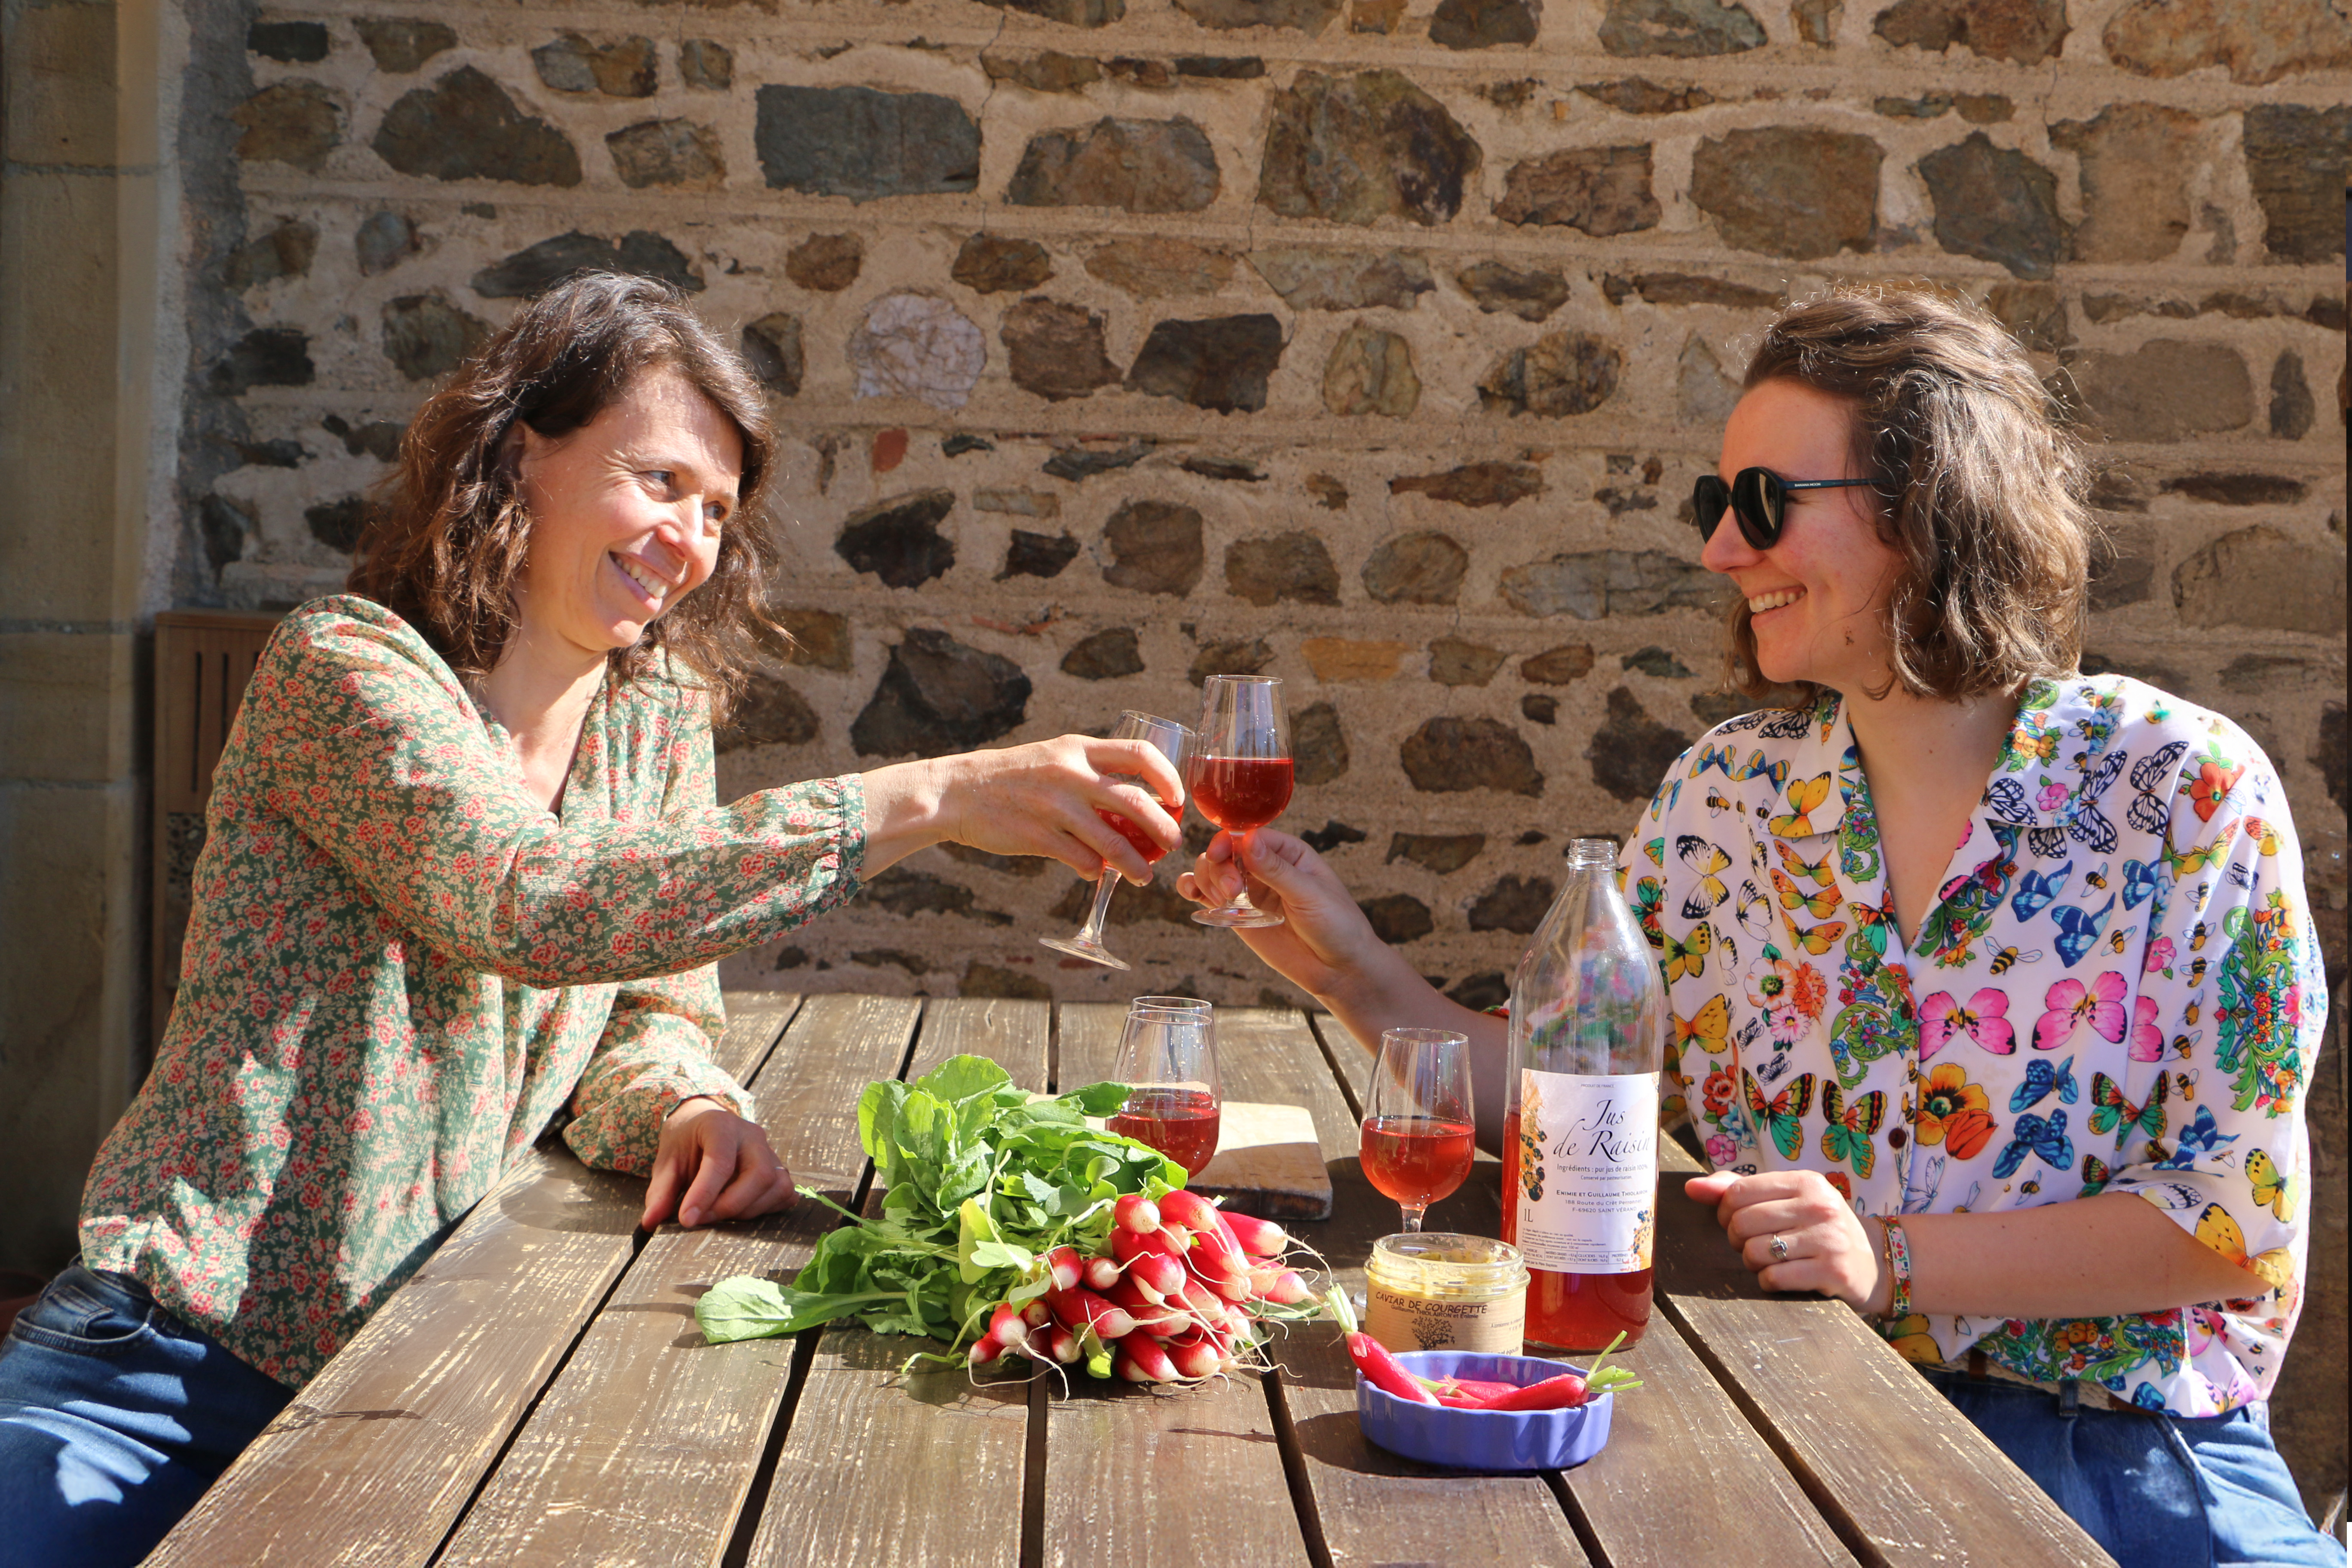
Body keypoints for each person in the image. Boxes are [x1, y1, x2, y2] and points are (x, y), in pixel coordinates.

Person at [0, 273, 1186, 1567]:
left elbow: (649, 1005)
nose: (692, 535)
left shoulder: (652, 716)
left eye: (720, 509)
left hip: (417, 1377)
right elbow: (530, 903)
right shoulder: (341, 669)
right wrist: (938, 793)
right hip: (170, 1369)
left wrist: (681, 1102)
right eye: (661, 480)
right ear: (522, 457)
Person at [1180, 286, 2337, 1567]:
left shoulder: (2182, 788)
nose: (1724, 552)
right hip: (1776, 1410)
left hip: (2113, 1458)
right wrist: (1353, 970)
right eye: (1715, 507)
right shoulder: (1727, 793)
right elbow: (1580, 1100)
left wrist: (1893, 1258)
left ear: (1928, 511)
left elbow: (2235, 1218)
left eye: (1765, 504)